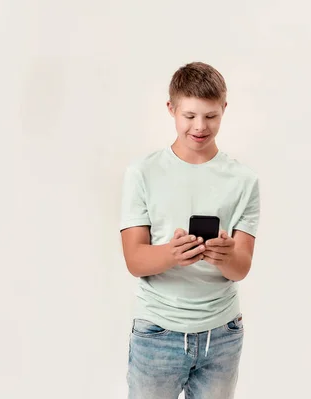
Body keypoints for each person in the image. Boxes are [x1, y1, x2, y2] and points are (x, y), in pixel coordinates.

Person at [119, 61, 260, 399]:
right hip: (157, 333)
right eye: (190, 116)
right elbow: (135, 260)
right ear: (171, 109)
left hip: (222, 335)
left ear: (224, 109)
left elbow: (241, 268)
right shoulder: (142, 173)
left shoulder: (244, 180)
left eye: (211, 116)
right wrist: (171, 253)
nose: (200, 126)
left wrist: (222, 257)